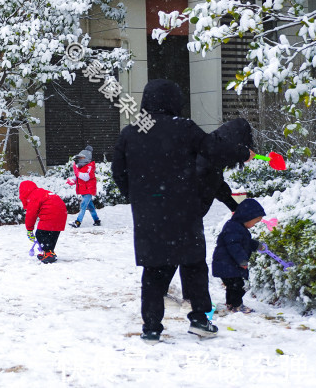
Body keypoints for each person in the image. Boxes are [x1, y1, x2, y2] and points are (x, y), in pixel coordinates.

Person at [111, 79, 254, 344]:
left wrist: (137, 197)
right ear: (174, 101)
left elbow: (118, 172)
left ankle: (151, 327)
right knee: (193, 265)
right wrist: (242, 153)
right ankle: (199, 320)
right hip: (183, 211)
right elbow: (213, 149)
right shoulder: (184, 128)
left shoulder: (130, 133)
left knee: (153, 270)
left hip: (149, 215)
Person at [180, 117, 254, 300]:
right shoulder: (213, 153)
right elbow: (212, 180)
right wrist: (243, 154)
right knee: (191, 257)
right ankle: (192, 299)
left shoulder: (211, 150)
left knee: (184, 255)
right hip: (189, 210)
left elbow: (217, 184)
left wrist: (234, 207)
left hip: (186, 209)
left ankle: (182, 296)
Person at [211, 198, 265, 314]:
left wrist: (256, 245)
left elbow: (243, 242)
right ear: (247, 217)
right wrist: (242, 261)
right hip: (227, 264)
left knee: (233, 286)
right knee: (237, 286)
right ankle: (236, 305)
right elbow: (234, 246)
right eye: (255, 222)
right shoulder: (234, 228)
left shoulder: (238, 228)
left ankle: (231, 304)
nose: (254, 225)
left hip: (228, 265)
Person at [19, 180, 68, 263]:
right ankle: (49, 252)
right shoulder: (41, 192)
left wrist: (29, 229)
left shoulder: (33, 196)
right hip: (62, 213)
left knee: (40, 233)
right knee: (53, 233)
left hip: (50, 213)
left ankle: (48, 253)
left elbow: (31, 214)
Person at [69, 145, 101, 228]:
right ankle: (97, 220)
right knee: (91, 207)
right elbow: (79, 177)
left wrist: (76, 173)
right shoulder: (81, 167)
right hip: (83, 190)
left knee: (83, 205)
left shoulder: (90, 166)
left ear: (87, 158)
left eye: (82, 158)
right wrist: (73, 180)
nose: (80, 160)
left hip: (89, 190)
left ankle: (78, 222)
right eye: (80, 158)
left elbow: (86, 177)